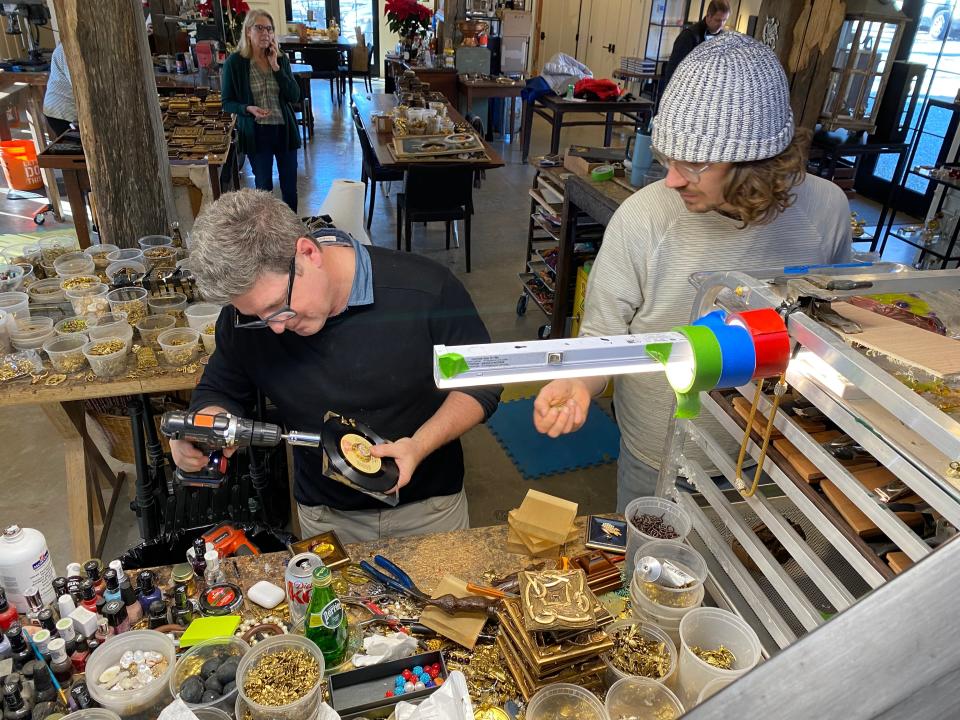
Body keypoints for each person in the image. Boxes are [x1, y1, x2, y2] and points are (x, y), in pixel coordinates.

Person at [532, 33, 852, 511]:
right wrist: (581, 381)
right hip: (656, 452)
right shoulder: (644, 217)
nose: (673, 178)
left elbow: (831, 324)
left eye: (694, 163)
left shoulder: (825, 210)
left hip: (772, 454)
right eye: (666, 158)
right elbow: (600, 338)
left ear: (756, 160)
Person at [171, 189, 501, 543]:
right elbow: (221, 388)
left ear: (308, 252)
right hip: (325, 514)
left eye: (279, 306)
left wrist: (419, 445)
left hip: (428, 508)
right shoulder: (248, 320)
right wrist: (203, 427)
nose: (276, 327)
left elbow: (478, 383)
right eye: (258, 317)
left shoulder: (424, 292)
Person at [221, 11, 301, 212]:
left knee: (290, 189)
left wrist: (276, 67)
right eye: (260, 28)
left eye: (269, 29)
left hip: (284, 132)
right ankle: (267, 236)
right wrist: (246, 108)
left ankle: (292, 234)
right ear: (248, 31)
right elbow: (227, 102)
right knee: (263, 189)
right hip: (257, 133)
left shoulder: (280, 60)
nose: (266, 33)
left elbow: (294, 96)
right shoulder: (235, 63)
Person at [663, 0, 730, 87]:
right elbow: (673, 68)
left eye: (724, 20)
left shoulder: (723, 38)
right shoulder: (689, 36)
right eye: (718, 20)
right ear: (708, 16)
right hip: (685, 88)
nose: (721, 24)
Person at [42, 44, 77, 138]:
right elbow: (78, 85)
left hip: (65, 110)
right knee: (74, 147)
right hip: (62, 113)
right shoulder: (67, 50)